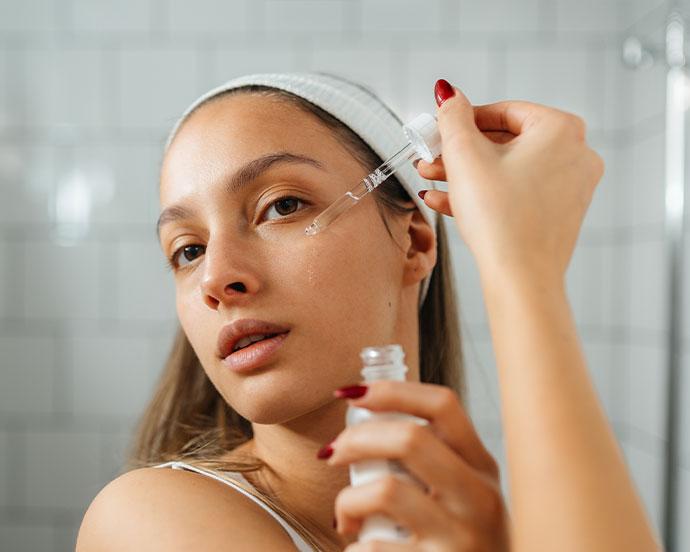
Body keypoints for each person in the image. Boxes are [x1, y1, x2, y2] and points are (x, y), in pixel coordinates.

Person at [76, 74, 661, 551]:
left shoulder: (477, 526)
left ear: (414, 242)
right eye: (188, 250)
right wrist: (523, 266)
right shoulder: (148, 523)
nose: (216, 278)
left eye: (281, 205)